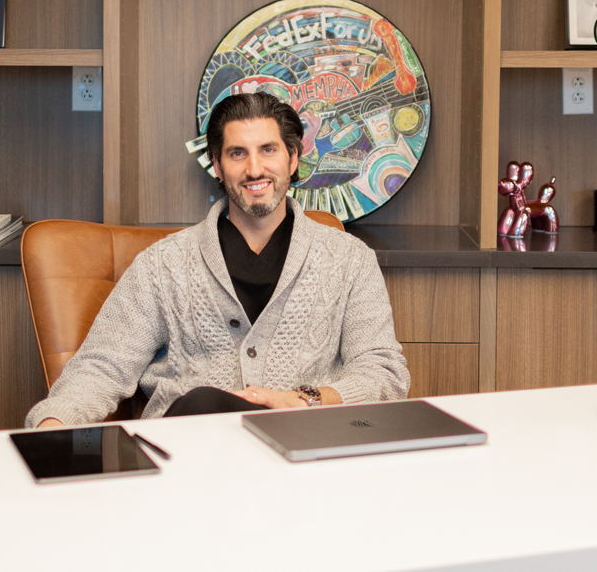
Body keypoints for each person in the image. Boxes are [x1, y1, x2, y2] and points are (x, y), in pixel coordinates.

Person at [26, 92, 409, 428]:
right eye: (237, 153)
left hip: (303, 449)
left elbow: (383, 373)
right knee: (201, 403)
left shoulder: (349, 259)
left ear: (293, 159)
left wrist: (304, 399)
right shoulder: (162, 265)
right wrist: (53, 421)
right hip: (189, 453)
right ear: (218, 165)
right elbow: (103, 366)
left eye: (268, 150)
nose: (254, 169)